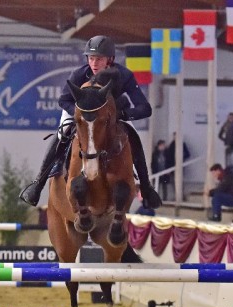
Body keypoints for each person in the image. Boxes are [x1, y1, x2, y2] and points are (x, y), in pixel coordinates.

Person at [20, 35, 161, 210]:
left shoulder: (124, 76)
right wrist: (82, 116)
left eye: (99, 59)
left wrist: (123, 114)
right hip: (81, 114)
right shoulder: (79, 75)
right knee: (61, 134)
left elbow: (144, 108)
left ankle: (146, 188)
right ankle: (38, 184)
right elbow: (63, 101)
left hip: (112, 117)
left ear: (110, 59)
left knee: (133, 137)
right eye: (91, 58)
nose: (94, 63)